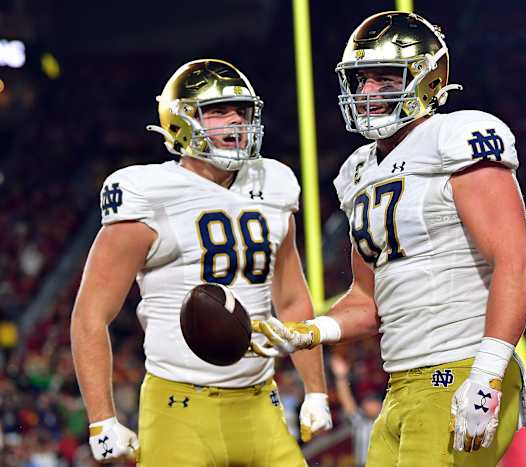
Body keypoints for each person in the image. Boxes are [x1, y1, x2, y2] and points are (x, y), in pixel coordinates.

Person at [252, 11, 526, 467]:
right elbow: (367, 300)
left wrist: (486, 374)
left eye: (385, 78)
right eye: (361, 80)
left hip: (463, 366)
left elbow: (518, 263)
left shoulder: (456, 136)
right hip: (403, 382)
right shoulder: (358, 171)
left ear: (427, 81)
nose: (368, 92)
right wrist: (310, 331)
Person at [70, 59, 332, 466]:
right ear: (182, 121)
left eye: (240, 111)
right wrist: (101, 419)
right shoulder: (149, 193)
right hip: (179, 407)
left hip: (260, 401)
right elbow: (90, 315)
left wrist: (315, 389)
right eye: (217, 111)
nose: (234, 122)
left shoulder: (274, 182)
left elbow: (293, 298)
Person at [329, 353, 382, 467]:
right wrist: (341, 377)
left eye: (372, 402)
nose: (368, 405)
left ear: (380, 405)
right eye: (366, 402)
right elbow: (346, 401)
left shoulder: (388, 421)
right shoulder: (361, 421)